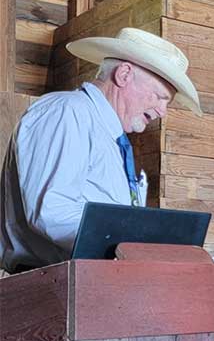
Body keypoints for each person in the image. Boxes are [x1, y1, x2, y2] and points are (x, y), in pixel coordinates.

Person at [1, 27, 202, 273]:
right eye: (159, 96)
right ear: (125, 75)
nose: (162, 111)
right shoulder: (68, 112)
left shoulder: (109, 137)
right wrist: (135, 246)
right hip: (48, 287)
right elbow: (52, 212)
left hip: (85, 283)